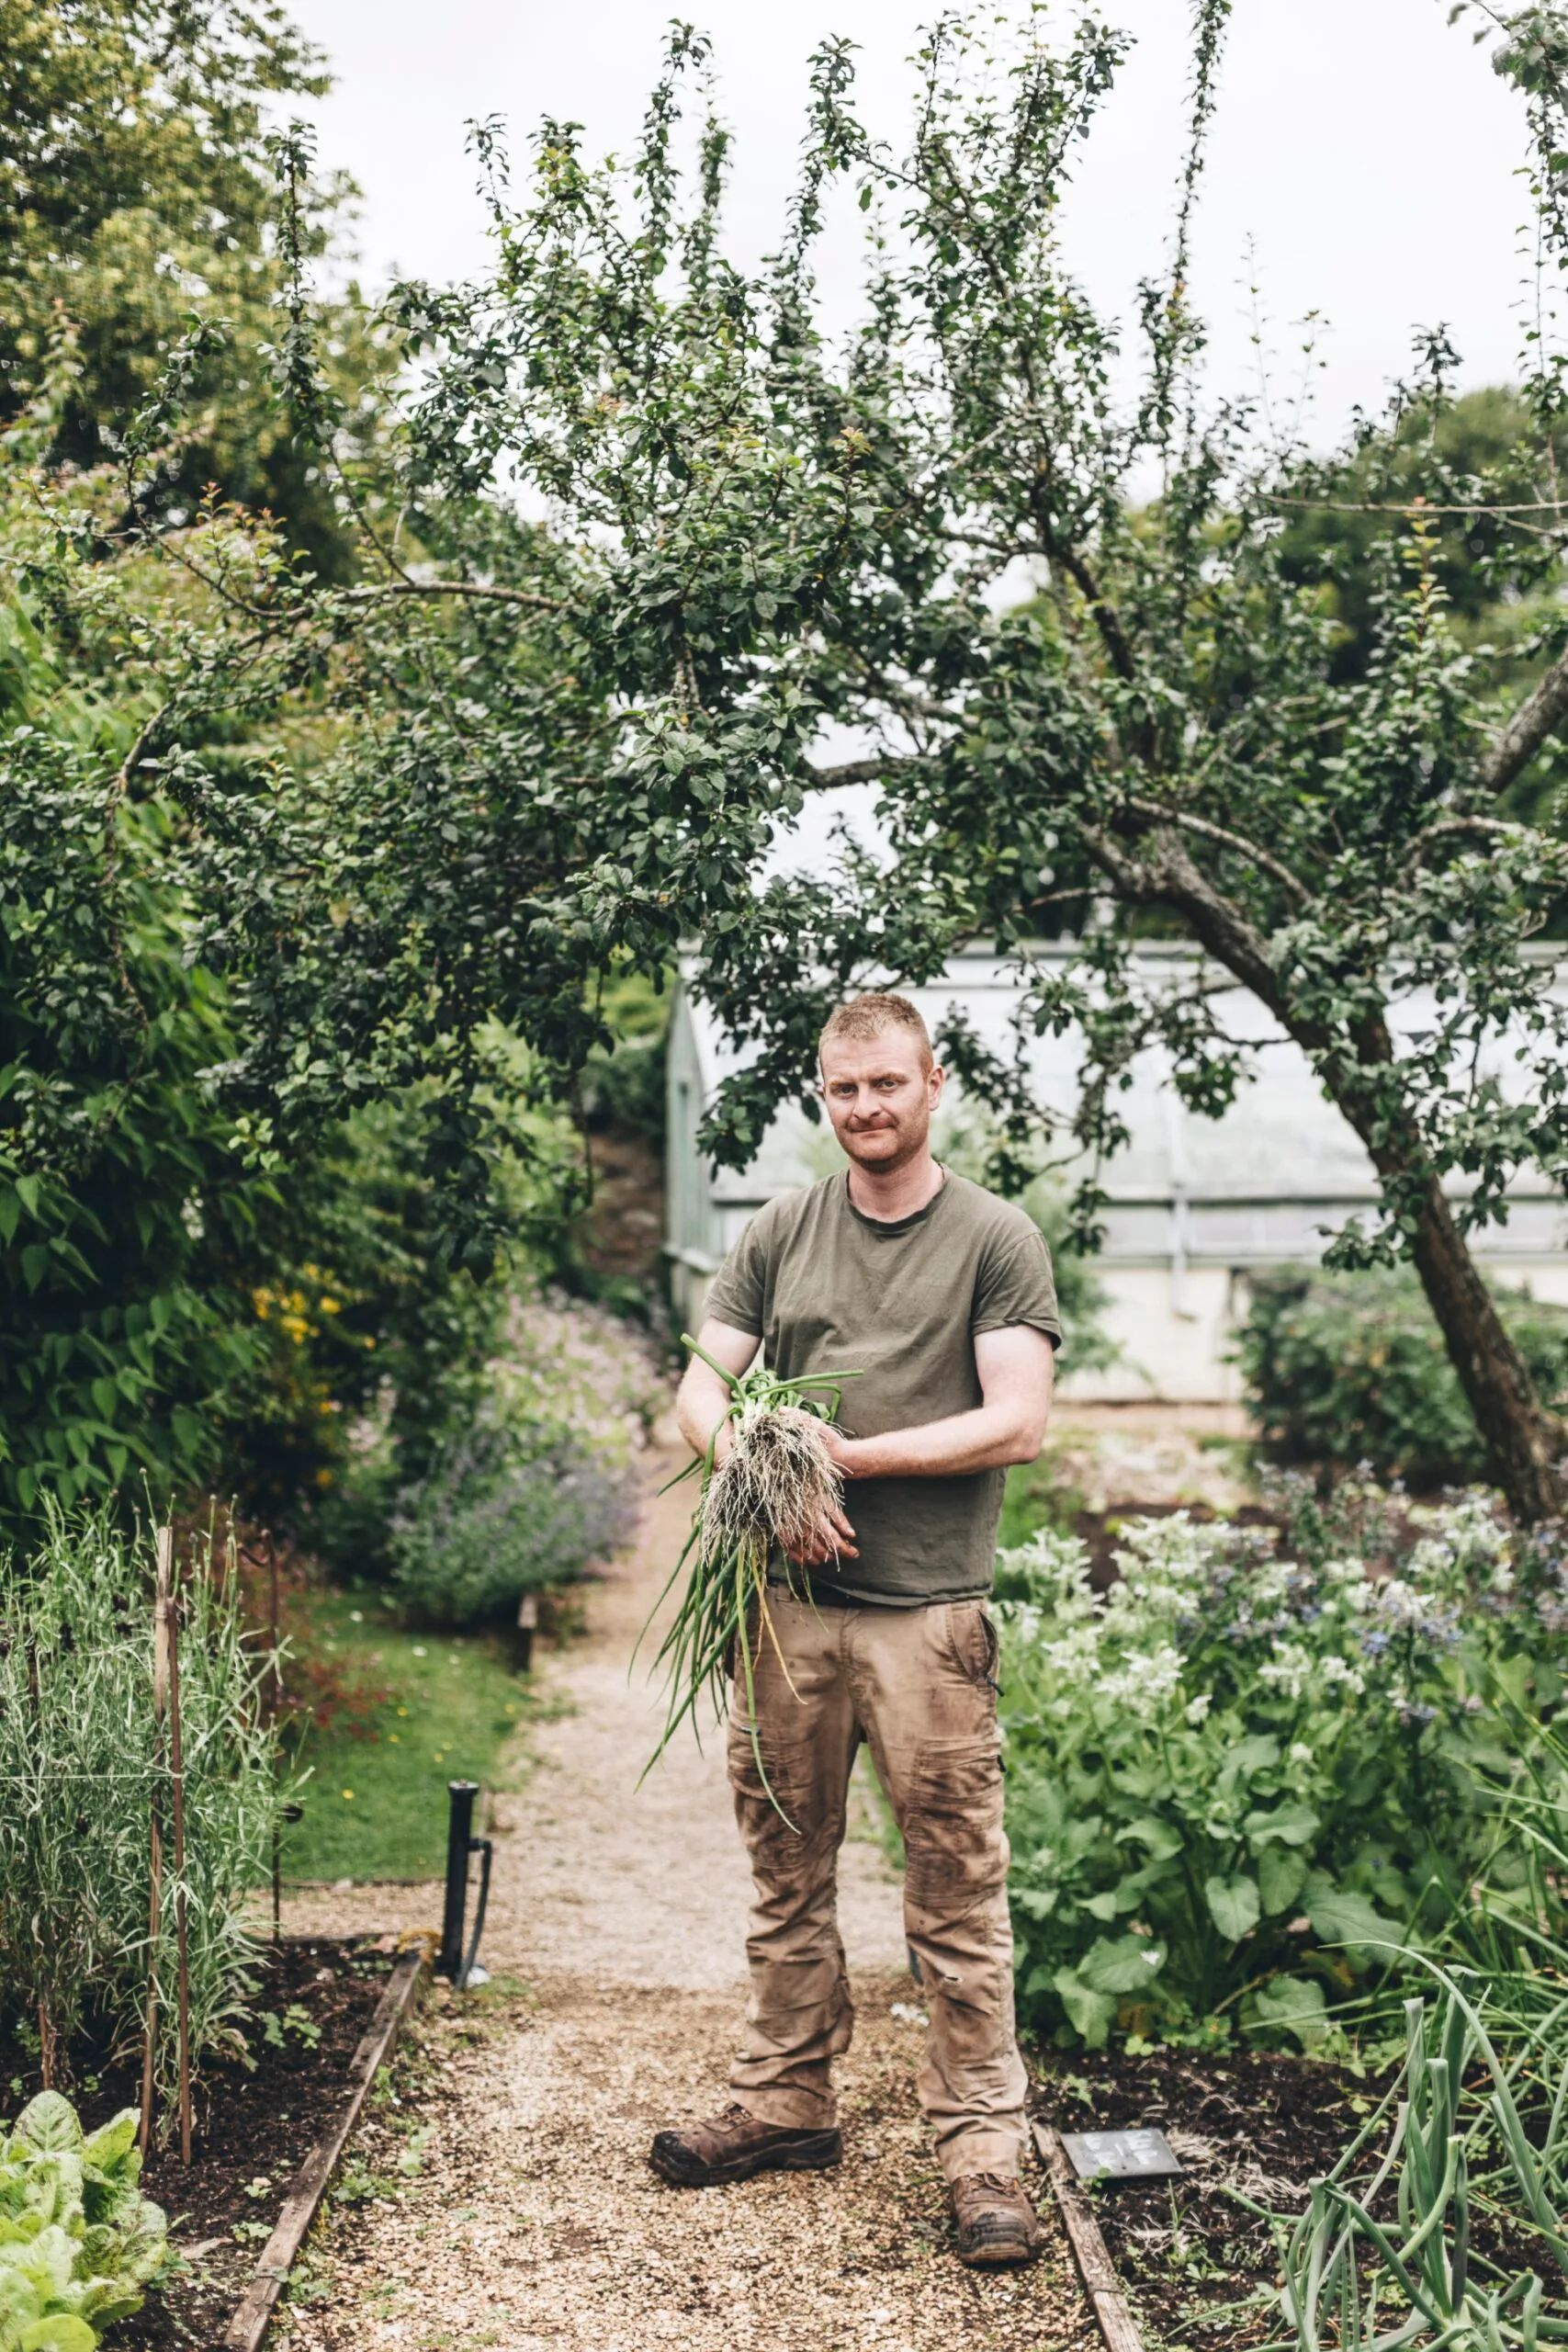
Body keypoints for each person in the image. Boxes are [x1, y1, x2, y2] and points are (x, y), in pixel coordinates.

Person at [649, 991, 1061, 2267]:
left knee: (953, 1889)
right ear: (820, 1100)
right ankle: (784, 2103)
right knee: (785, 1873)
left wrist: (855, 1463)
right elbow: (697, 1392)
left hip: (928, 1624)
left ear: (931, 1086)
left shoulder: (994, 1237)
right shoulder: (779, 1231)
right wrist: (770, 1484)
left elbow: (1016, 1421)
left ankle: (983, 2154)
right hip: (785, 1619)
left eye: (887, 1084)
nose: (866, 1108)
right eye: (843, 1091)